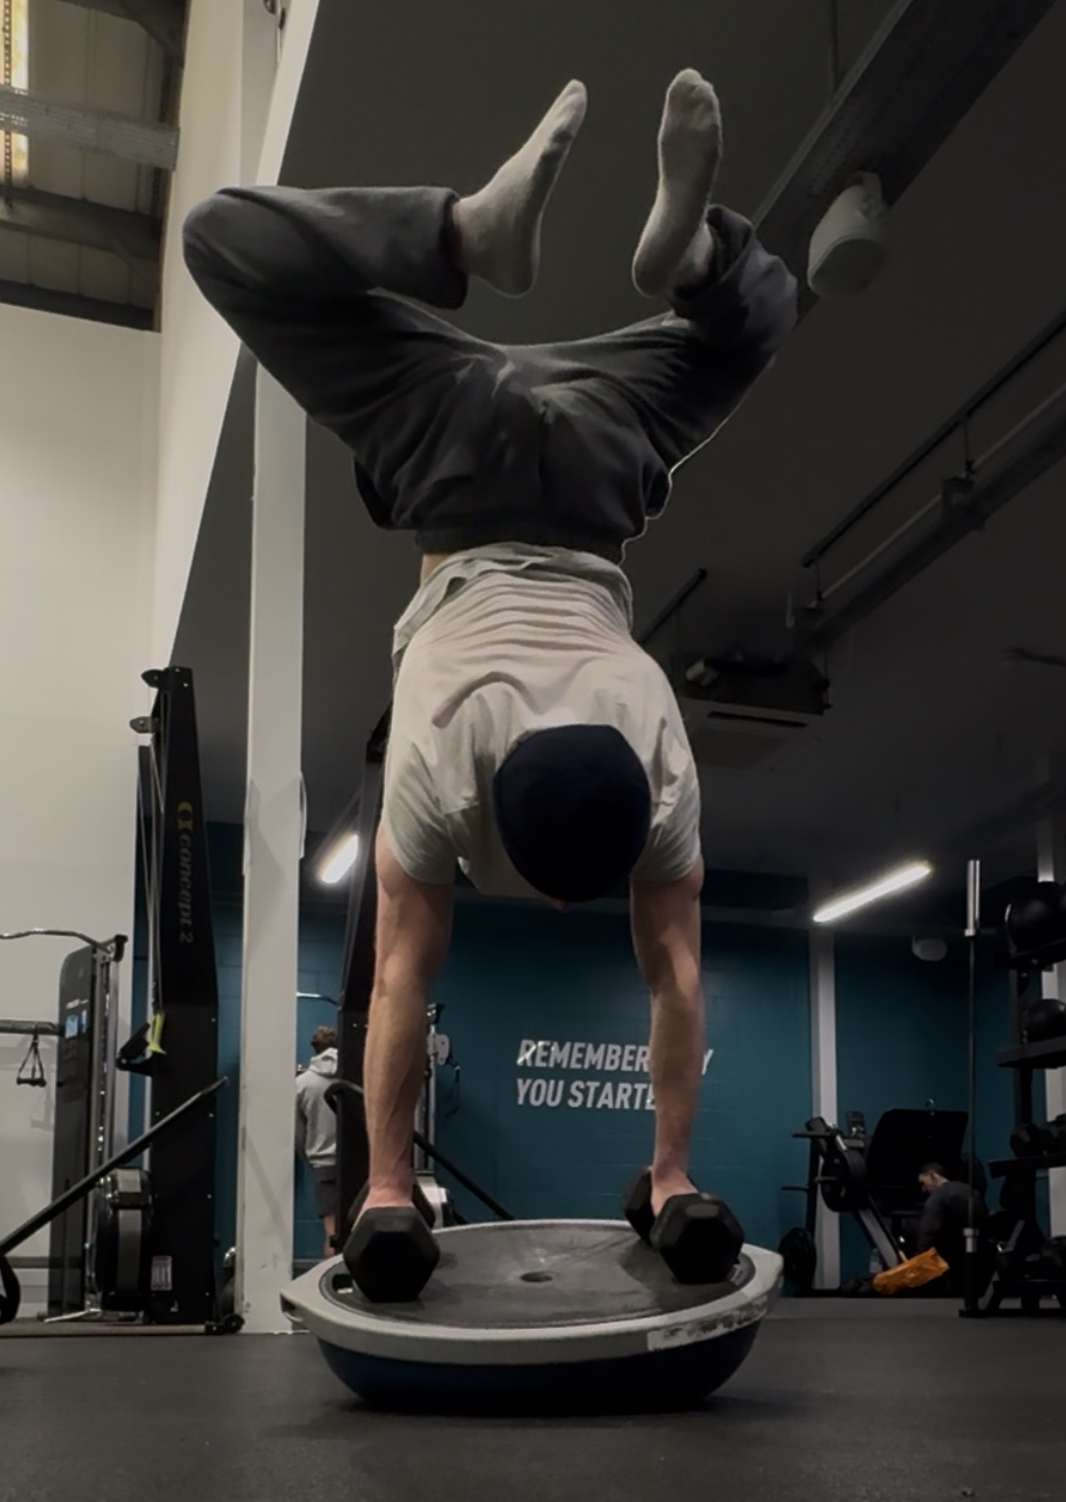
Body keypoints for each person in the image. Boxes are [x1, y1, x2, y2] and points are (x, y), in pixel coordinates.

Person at [183, 69, 797, 1290]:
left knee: (770, 313)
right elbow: (662, 977)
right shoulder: (435, 749)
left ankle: (602, 250)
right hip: (456, 461)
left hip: (603, 446)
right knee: (224, 243)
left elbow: (401, 977)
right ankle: (527, 235)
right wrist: (663, 1177)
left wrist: (383, 1191)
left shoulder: (653, 738)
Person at [295, 1027, 340, 1257]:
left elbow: (298, 1132)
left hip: (322, 1164)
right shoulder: (353, 1076)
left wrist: (310, 1157)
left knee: (331, 1233)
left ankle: (331, 1288)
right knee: (360, 1229)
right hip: (354, 1161)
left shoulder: (302, 1084)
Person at [916, 1160, 988, 1273]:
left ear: (933, 1175)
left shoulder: (938, 1197)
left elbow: (928, 1232)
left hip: (949, 1262)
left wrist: (920, 1259)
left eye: (923, 1183)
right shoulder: (971, 1191)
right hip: (977, 1258)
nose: (923, 1189)